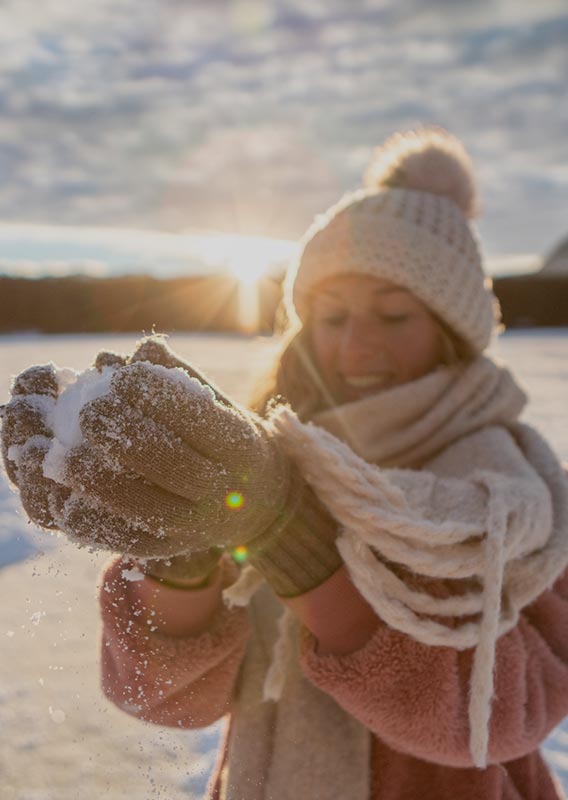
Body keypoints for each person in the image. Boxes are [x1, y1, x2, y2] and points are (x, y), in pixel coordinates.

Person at [2, 127, 568, 800]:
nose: (358, 346)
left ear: (453, 332)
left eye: (393, 316)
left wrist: (293, 536)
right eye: (331, 318)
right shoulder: (264, 450)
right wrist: (181, 557)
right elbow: (165, 702)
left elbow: (503, 717)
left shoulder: (511, 499)